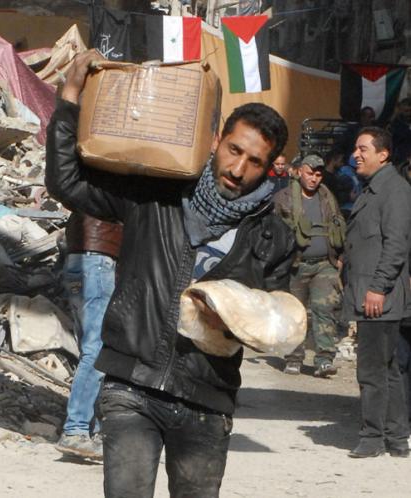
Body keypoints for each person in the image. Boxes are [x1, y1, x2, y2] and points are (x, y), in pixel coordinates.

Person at [46, 50, 294, 498]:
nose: (238, 169)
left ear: (270, 166)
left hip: (206, 399)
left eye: (254, 162)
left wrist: (234, 317)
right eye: (234, 150)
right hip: (131, 385)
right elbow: (66, 181)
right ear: (217, 139)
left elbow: (278, 321)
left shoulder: (272, 237)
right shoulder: (155, 193)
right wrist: (69, 96)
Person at [342, 126, 411, 458]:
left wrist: (377, 288)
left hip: (377, 298)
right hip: (371, 294)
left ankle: (372, 438)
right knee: (388, 368)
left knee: (372, 369)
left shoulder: (393, 190)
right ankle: (396, 439)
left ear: (383, 154)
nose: (356, 154)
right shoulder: (374, 189)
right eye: (356, 148)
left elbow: (396, 245)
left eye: (363, 149)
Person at [55, 212, 121, 460]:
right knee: (97, 350)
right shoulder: (117, 184)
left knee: (89, 349)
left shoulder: (87, 187)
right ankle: (75, 430)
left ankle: (89, 429)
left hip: (77, 262)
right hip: (98, 263)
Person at [274, 154, 346, 377]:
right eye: (309, 173)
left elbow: (338, 225)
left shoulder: (327, 197)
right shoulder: (283, 198)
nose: (314, 178)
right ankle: (294, 357)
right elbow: (273, 232)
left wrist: (341, 258)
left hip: (326, 264)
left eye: (318, 174)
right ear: (298, 172)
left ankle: (324, 359)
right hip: (296, 265)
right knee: (295, 314)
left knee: (325, 310)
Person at [390, 98, 411, 166]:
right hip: (401, 162)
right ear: (401, 111)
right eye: (406, 111)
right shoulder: (394, 126)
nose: (409, 114)